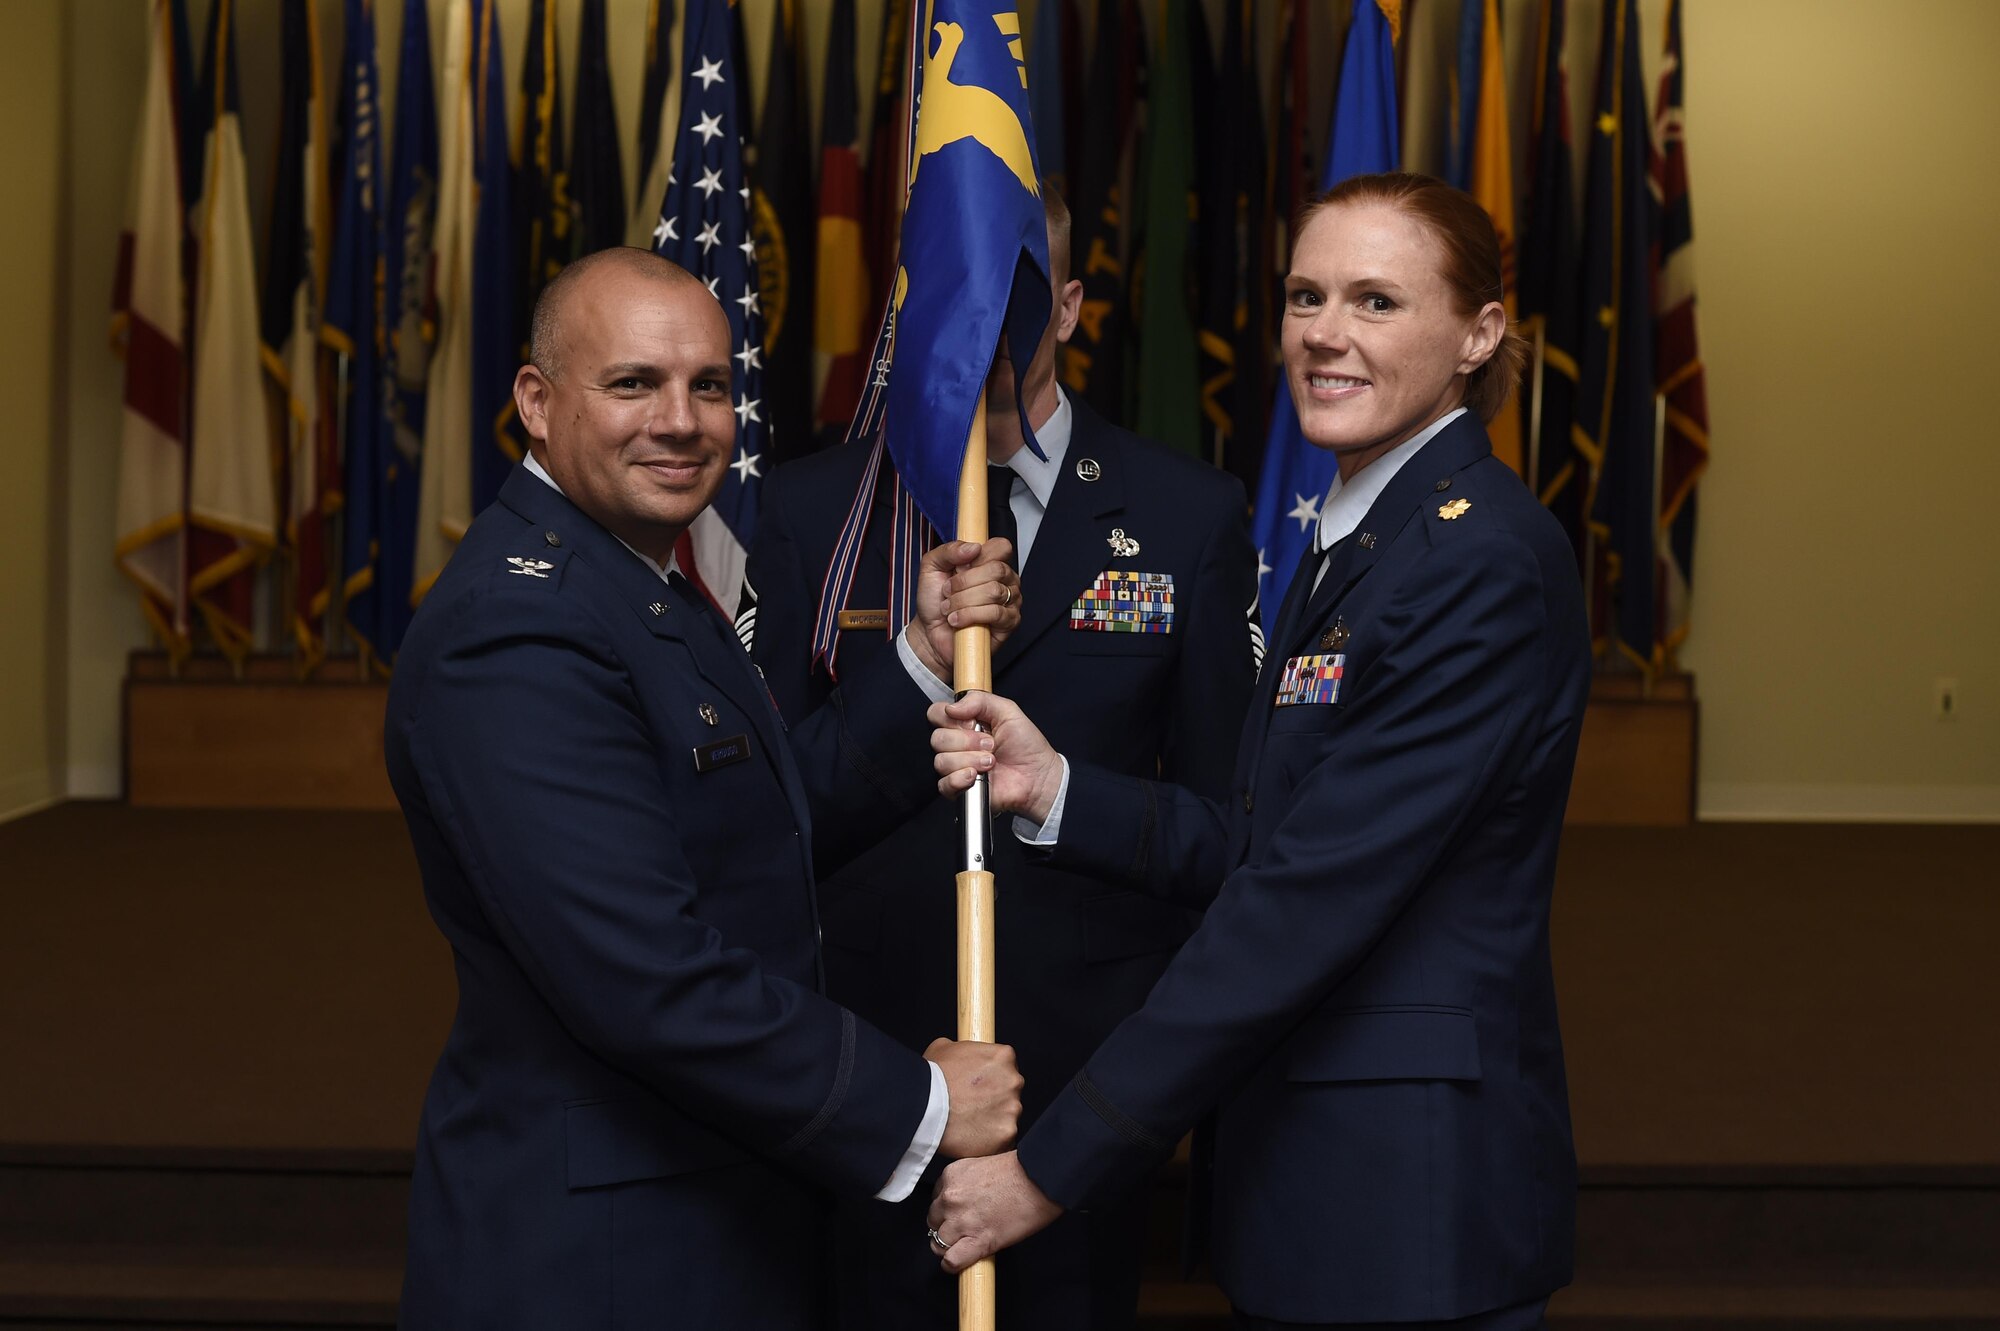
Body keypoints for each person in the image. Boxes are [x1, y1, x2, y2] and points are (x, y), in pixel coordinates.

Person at [926, 173, 1592, 1330]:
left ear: (1478, 334)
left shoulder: (1474, 561)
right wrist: (1058, 787)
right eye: (1304, 295)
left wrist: (1048, 1164)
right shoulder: (1364, 537)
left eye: (1376, 302)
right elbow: (1267, 834)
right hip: (1319, 1173)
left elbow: (1301, 897)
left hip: (1402, 1201)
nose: (1323, 334)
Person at [385, 247, 1027, 1328]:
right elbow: (641, 973)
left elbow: (751, 830)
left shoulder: (635, 579)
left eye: (711, 385)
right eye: (633, 383)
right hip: (599, 1258)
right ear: (536, 403)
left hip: (706, 1203)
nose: (681, 421)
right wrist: (915, 1100)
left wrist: (917, 654)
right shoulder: (515, 627)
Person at [744, 184, 1260, 1330]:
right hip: (860, 1060)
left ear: (1070, 307)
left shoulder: (1183, 515)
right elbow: (762, 819)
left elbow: (1232, 831)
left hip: (1081, 1073)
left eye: (1014, 295)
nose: (979, 323)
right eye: (948, 293)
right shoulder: (812, 511)